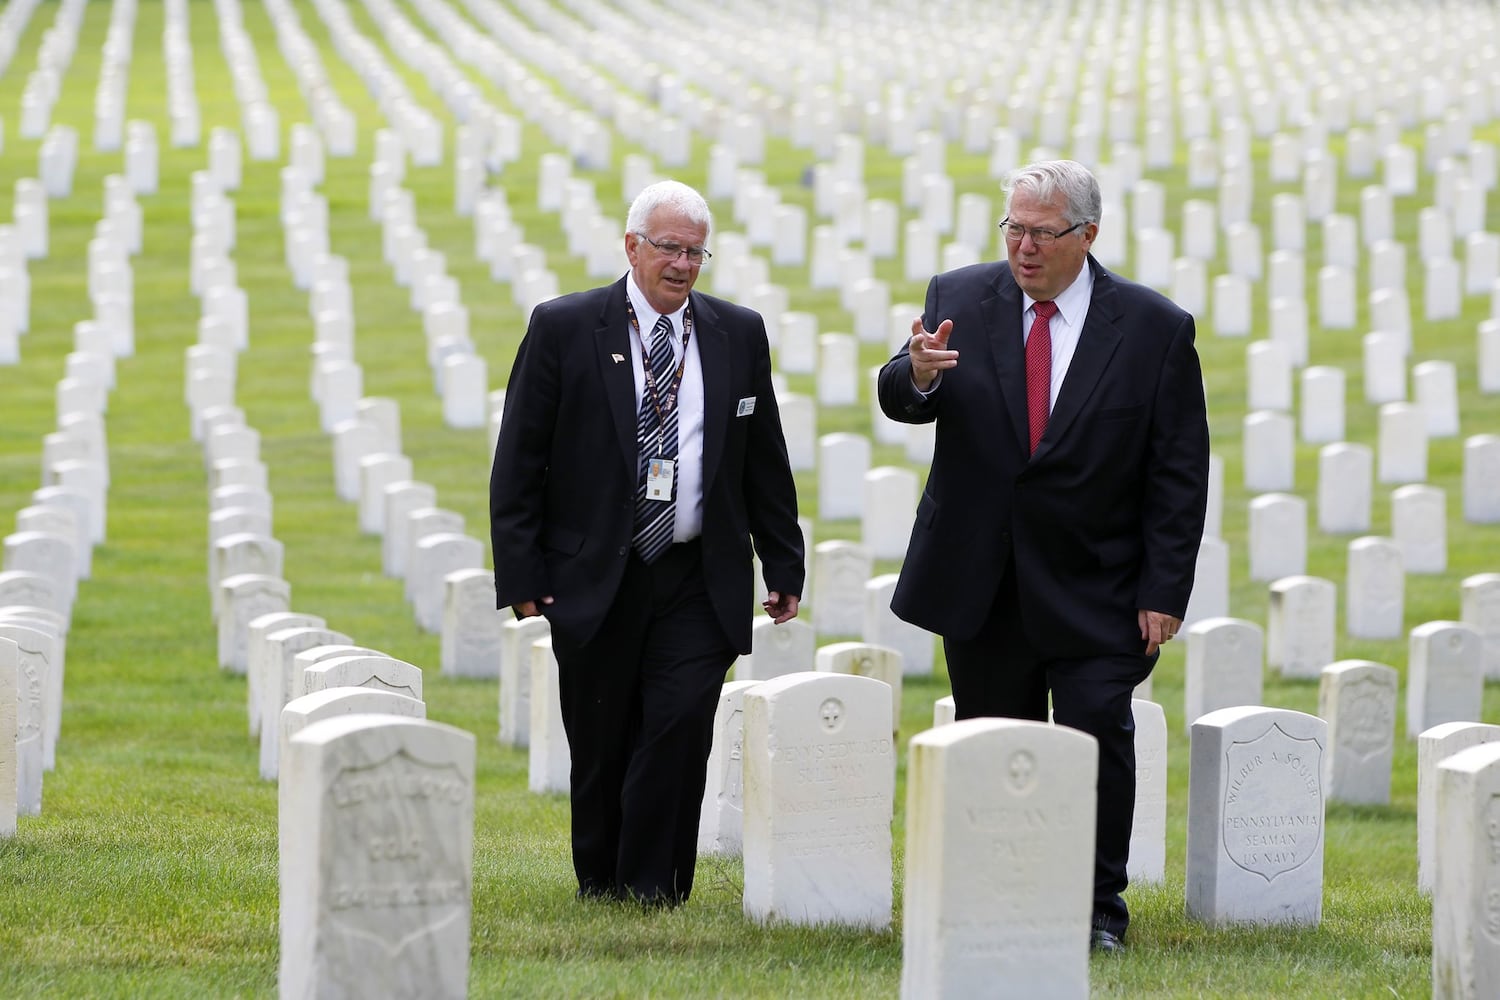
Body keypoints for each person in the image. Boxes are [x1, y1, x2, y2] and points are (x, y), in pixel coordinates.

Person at [878, 159, 1209, 951]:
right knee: (997, 742)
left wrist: (1164, 590)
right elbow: (900, 389)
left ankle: (1097, 909)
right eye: (1013, 229)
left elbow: (1178, 471)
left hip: (1099, 583)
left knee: (1099, 737)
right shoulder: (957, 297)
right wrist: (917, 374)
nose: (1024, 248)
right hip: (982, 579)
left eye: (1042, 233)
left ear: (1087, 235)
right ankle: (1003, 895)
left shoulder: (1154, 328)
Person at [490, 179, 805, 906]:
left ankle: (653, 886)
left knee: (679, 725)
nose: (684, 264)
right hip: (596, 571)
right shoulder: (566, 327)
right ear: (632, 247)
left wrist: (783, 560)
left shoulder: (738, 331)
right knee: (602, 739)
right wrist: (522, 571)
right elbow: (519, 459)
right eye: (669, 248)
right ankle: (602, 881)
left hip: (698, 572)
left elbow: (764, 457)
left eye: (696, 251)